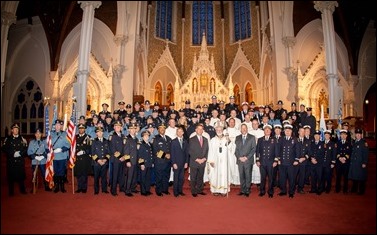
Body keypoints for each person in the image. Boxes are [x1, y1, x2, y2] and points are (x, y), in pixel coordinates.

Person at [2, 123, 28, 196]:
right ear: (12, 130)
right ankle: (11, 192)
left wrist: (20, 153)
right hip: (11, 161)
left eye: (17, 129)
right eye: (15, 129)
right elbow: (4, 149)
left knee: (21, 176)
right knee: (11, 177)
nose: (16, 130)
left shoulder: (22, 139)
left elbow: (26, 148)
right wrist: (12, 153)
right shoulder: (8, 139)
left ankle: (22, 190)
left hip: (20, 160)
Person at [208, 125, 231, 196]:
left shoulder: (226, 139)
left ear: (222, 130)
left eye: (220, 130)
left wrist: (229, 142)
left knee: (224, 174)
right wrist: (211, 161)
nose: (219, 131)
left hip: (224, 161)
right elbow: (210, 151)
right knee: (215, 175)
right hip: (215, 161)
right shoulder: (212, 140)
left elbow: (231, 149)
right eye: (217, 130)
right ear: (215, 131)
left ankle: (223, 190)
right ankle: (216, 190)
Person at [256, 125, 278, 198]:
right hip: (262, 162)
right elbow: (257, 151)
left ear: (271, 131)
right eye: (265, 130)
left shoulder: (274, 140)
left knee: (271, 178)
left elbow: (276, 151)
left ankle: (270, 192)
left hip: (271, 162)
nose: (267, 131)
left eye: (268, 130)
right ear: (264, 131)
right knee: (263, 178)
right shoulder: (260, 139)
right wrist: (257, 160)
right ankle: (262, 191)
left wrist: (275, 161)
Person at [234, 123, 256, 197]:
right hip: (240, 160)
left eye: (245, 128)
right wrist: (239, 157)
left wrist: (246, 157)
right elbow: (235, 149)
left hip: (248, 160)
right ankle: (242, 190)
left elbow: (253, 149)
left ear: (247, 129)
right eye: (242, 128)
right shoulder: (237, 138)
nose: (243, 129)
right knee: (241, 175)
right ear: (240, 129)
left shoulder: (252, 137)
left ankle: (247, 190)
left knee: (248, 175)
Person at [188, 123, 209, 197]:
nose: (200, 130)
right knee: (193, 177)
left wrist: (204, 158)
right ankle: (194, 191)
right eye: (198, 129)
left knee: (200, 177)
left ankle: (200, 190)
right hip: (194, 161)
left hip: (203, 161)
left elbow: (207, 150)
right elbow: (190, 151)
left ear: (203, 130)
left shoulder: (205, 139)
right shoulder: (191, 139)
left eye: (201, 129)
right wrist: (197, 159)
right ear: (195, 130)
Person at [277, 124, 297, 198]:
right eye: (286, 131)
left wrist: (296, 160)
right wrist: (278, 159)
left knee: (291, 178)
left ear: (291, 131)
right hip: (282, 162)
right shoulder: (281, 139)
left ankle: (291, 192)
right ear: (284, 131)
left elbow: (297, 150)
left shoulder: (294, 139)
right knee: (282, 178)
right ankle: (283, 191)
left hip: (291, 162)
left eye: (289, 131)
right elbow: (278, 150)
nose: (287, 132)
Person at [152, 123, 172, 196]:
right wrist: (165, 155)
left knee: (166, 176)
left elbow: (171, 149)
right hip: (159, 162)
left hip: (168, 162)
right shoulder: (156, 139)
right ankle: (159, 191)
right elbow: (155, 151)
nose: (162, 130)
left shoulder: (168, 138)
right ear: (158, 130)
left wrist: (170, 155)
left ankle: (165, 189)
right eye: (161, 128)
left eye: (163, 128)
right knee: (159, 177)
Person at [50, 119, 70, 193]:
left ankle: (62, 187)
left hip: (62, 156)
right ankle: (56, 186)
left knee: (61, 172)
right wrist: (51, 150)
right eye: (56, 125)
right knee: (55, 172)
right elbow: (47, 145)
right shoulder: (51, 134)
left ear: (61, 126)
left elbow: (68, 144)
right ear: (54, 126)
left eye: (59, 125)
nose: (58, 126)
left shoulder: (65, 134)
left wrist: (61, 149)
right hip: (54, 156)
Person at [349, 128, 369, 195]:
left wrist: (364, 162)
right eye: (357, 134)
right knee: (355, 176)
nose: (358, 135)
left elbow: (366, 154)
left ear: (361, 135)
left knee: (361, 177)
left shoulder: (364, 143)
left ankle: (361, 191)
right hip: (355, 163)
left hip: (360, 163)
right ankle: (354, 189)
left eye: (359, 134)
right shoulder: (355, 142)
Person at [109, 120, 126, 196]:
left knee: (122, 174)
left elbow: (125, 148)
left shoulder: (123, 136)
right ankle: (113, 190)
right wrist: (120, 157)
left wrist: (124, 157)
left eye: (119, 126)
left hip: (123, 159)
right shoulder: (112, 136)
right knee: (115, 175)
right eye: (117, 126)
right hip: (116, 159)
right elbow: (112, 149)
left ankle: (121, 187)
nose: (118, 127)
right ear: (114, 128)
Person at [170, 126, 189, 197]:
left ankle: (180, 191)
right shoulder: (173, 141)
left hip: (183, 163)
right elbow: (172, 153)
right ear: (176, 133)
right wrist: (173, 163)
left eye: (181, 131)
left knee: (181, 179)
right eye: (178, 131)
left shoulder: (185, 141)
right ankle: (176, 192)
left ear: (183, 133)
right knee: (176, 178)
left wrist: (186, 162)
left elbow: (187, 153)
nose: (180, 133)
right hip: (176, 163)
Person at [91, 126, 110, 195]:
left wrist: (105, 160)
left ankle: (104, 189)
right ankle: (96, 190)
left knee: (104, 177)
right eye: (98, 132)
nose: (100, 133)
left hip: (104, 162)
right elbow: (92, 152)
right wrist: (98, 160)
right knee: (96, 177)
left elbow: (108, 152)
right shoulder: (93, 141)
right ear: (96, 133)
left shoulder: (106, 141)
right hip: (96, 163)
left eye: (101, 132)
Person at [74, 124, 92, 193]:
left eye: (82, 128)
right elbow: (73, 147)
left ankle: (84, 188)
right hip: (77, 158)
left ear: (85, 129)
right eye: (80, 128)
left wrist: (84, 151)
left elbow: (90, 148)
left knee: (84, 174)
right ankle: (79, 187)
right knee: (78, 173)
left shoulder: (88, 137)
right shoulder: (75, 137)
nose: (81, 130)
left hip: (85, 158)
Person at [123, 123, 139, 196]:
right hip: (130, 161)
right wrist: (127, 161)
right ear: (129, 130)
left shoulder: (136, 139)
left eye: (134, 129)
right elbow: (126, 151)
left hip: (136, 160)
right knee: (129, 176)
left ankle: (133, 188)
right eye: (131, 129)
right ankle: (127, 190)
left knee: (134, 176)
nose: (133, 130)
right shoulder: (127, 139)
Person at [137, 130, 154, 196]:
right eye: (145, 136)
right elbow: (139, 155)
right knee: (143, 178)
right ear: (142, 137)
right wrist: (141, 164)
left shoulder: (149, 144)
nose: (147, 137)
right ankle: (143, 191)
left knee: (148, 178)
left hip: (149, 163)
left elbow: (151, 154)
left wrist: (152, 162)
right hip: (144, 164)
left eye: (148, 136)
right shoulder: (141, 144)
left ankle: (147, 190)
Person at [308, 130, 325, 195]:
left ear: (320, 136)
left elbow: (323, 154)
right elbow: (309, 152)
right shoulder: (311, 143)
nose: (316, 137)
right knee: (313, 176)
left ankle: (319, 189)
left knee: (319, 177)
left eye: (318, 135)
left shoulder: (323, 144)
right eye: (315, 135)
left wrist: (316, 160)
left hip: (319, 163)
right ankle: (313, 189)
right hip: (312, 163)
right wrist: (311, 159)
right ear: (314, 136)